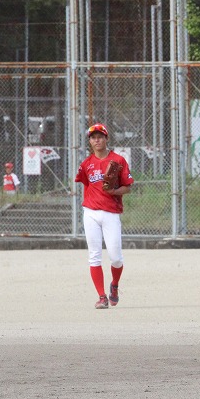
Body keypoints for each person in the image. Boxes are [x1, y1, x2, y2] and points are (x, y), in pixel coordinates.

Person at [74, 123, 134, 309]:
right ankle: (102, 297)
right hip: (91, 212)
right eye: (93, 137)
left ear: (106, 139)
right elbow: (87, 185)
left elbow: (128, 187)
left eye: (100, 136)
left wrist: (114, 191)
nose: (97, 140)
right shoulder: (86, 164)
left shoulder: (118, 160)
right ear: (90, 142)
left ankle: (114, 285)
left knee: (116, 258)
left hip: (111, 213)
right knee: (94, 256)